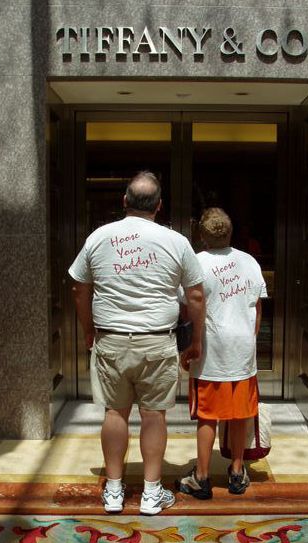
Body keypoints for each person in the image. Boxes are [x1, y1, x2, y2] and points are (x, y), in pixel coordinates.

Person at [68, 171, 205, 515]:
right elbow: (197, 295)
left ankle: (114, 491)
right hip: (157, 343)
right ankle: (151, 493)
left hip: (111, 339)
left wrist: (88, 330)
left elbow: (79, 289)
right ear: (159, 206)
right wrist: (197, 340)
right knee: (153, 416)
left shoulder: (99, 237)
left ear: (124, 202)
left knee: (114, 413)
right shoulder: (175, 241)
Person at [177, 207, 267, 499]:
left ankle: (202, 477)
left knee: (207, 416)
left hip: (210, 351)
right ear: (230, 233)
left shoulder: (196, 264)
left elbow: (189, 308)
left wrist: (189, 346)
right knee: (240, 415)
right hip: (241, 351)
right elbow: (257, 310)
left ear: (202, 236)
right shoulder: (249, 262)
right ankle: (237, 473)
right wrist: (249, 340)